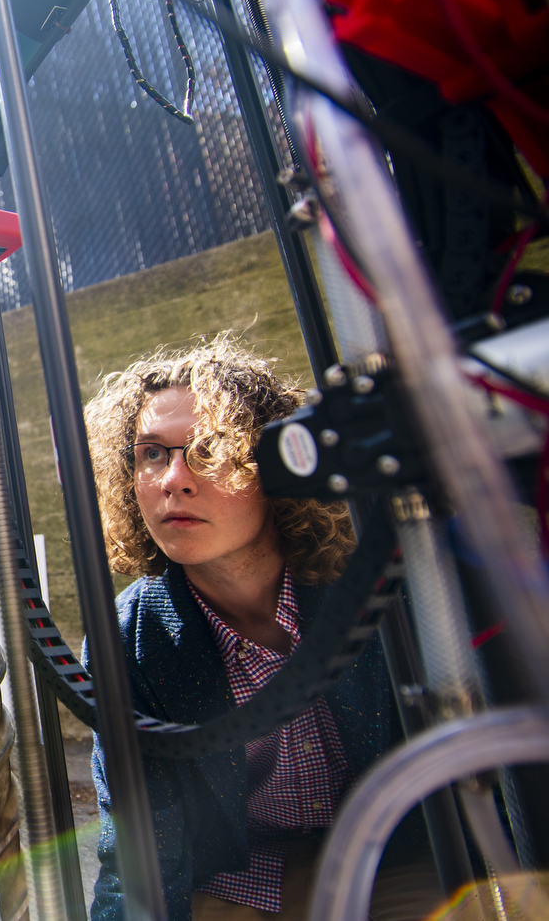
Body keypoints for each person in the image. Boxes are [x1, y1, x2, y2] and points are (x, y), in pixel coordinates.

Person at [82, 335, 444, 921]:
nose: (174, 478)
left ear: (275, 463)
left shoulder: (383, 584)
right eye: (152, 454)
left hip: (400, 860)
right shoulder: (130, 639)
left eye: (206, 449)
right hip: (245, 884)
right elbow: (139, 851)